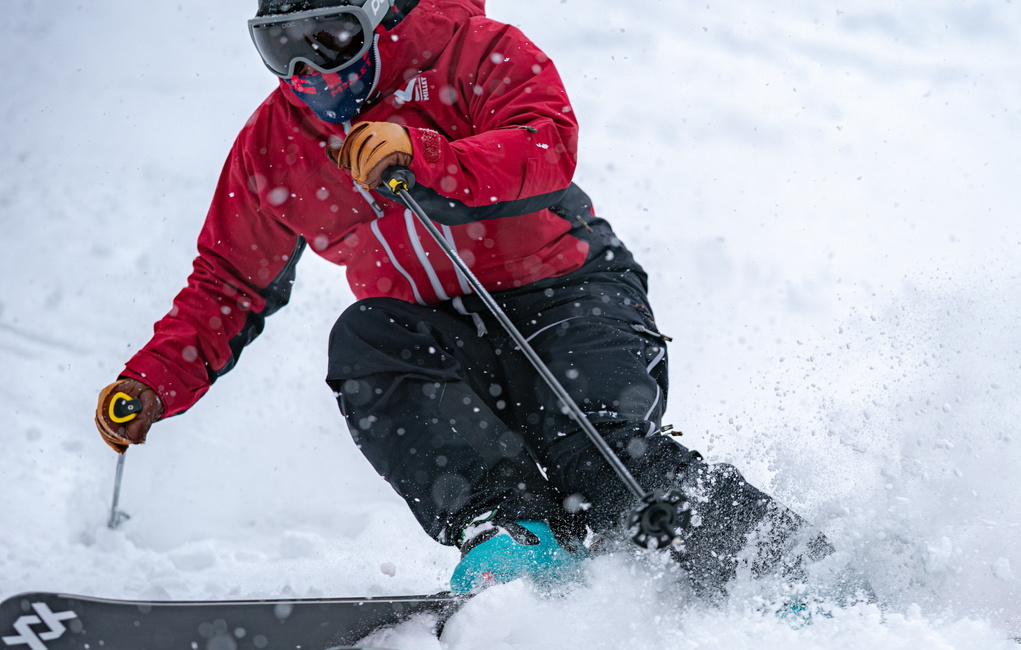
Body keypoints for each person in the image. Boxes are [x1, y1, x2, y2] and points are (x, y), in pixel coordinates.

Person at [95, 0, 830, 597]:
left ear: (377, 15)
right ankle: (512, 533)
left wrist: (426, 156)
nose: (308, 65)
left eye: (331, 36)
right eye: (279, 43)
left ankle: (799, 574)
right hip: (443, 340)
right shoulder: (273, 145)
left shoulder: (468, 50)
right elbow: (228, 281)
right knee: (365, 338)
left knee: (598, 463)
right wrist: (152, 383)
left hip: (566, 296)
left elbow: (547, 140)